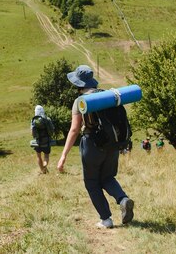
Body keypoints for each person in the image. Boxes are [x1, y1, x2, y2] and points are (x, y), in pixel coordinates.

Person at [57, 64, 134, 229]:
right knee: (107, 177)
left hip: (92, 145)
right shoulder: (107, 95)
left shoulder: (80, 101)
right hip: (113, 144)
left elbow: (74, 129)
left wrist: (63, 155)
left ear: (78, 84)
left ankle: (106, 219)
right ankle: (123, 199)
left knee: (91, 182)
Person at [31, 105, 54, 174]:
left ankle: (42, 170)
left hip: (37, 142)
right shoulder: (48, 119)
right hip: (46, 142)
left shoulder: (33, 120)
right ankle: (44, 165)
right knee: (46, 156)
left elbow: (32, 133)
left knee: (38, 156)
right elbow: (52, 130)